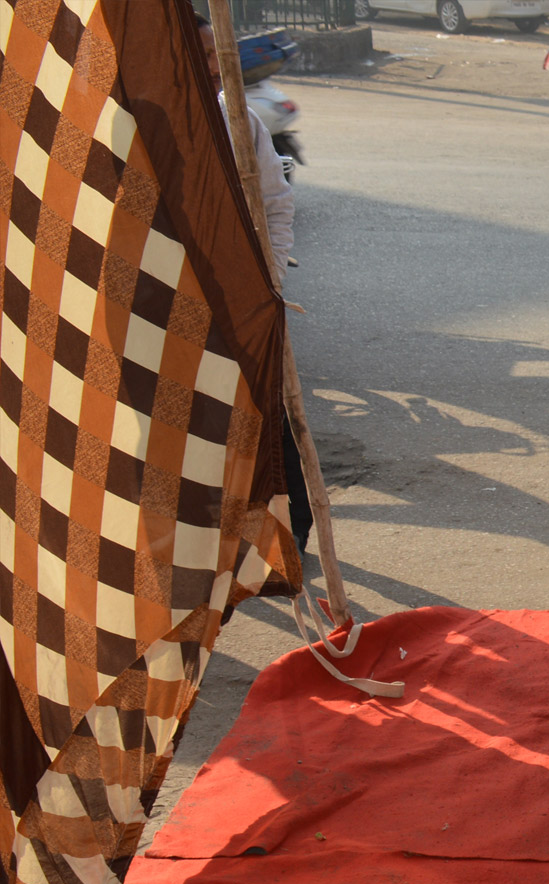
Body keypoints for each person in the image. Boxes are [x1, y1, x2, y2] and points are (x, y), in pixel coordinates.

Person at [194, 15, 311, 556]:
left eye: (215, 55)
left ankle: (290, 537)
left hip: (243, 300)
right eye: (201, 55)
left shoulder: (237, 120)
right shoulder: (142, 121)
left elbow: (276, 204)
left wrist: (271, 278)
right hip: (177, 305)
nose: (213, 67)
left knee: (269, 424)